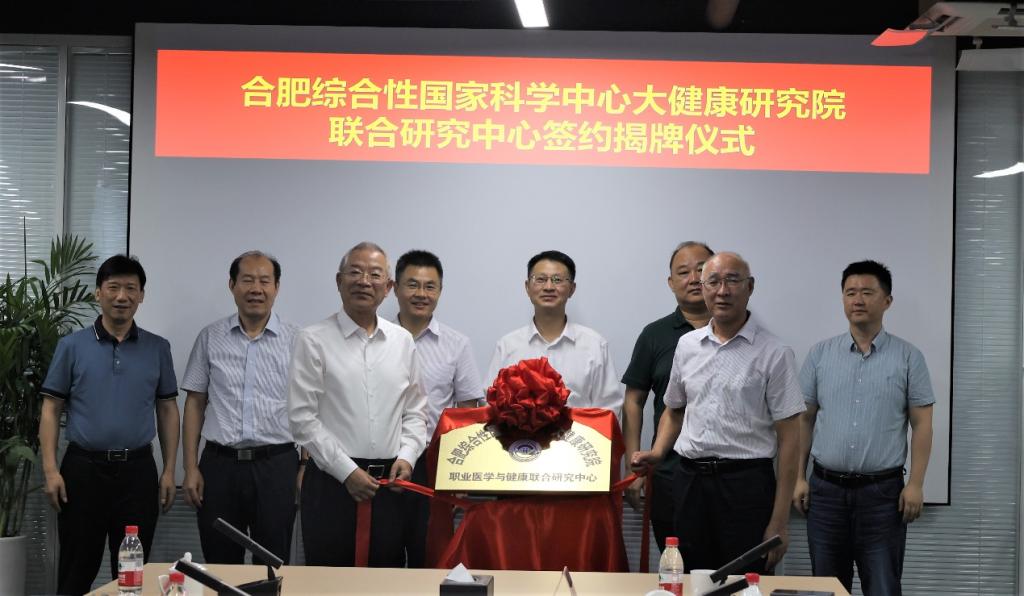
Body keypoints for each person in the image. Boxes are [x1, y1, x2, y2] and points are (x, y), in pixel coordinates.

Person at [631, 252, 804, 573]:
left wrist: (780, 520)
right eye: (713, 282)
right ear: (703, 288)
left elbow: (791, 437)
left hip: (747, 485)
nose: (722, 291)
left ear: (750, 287)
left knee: (744, 581)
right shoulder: (687, 345)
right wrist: (657, 452)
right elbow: (674, 410)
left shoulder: (775, 352)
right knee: (690, 577)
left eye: (732, 281)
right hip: (690, 481)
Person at [39, 255, 179, 595]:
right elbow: (51, 408)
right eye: (113, 287)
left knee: (132, 575)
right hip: (82, 471)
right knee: (76, 569)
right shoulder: (71, 346)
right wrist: (51, 470)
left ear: (141, 295)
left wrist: (169, 470)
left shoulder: (158, 348)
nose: (122, 296)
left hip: (137, 473)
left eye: (131, 288)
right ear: (98, 292)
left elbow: (167, 410)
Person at [793, 260, 934, 595]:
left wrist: (915, 484)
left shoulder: (909, 357)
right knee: (827, 588)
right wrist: (798, 476)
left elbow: (922, 424)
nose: (857, 300)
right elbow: (803, 419)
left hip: (882, 496)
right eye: (850, 292)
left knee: (883, 586)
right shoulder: (820, 355)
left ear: (887, 301)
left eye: (867, 292)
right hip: (826, 493)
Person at [288, 241, 428, 567]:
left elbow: (415, 410)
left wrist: (408, 457)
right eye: (355, 272)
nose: (364, 281)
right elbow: (302, 418)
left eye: (374, 274)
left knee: (386, 577)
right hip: (332, 483)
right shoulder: (313, 339)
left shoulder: (402, 341)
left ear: (388, 288)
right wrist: (346, 471)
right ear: (339, 281)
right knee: (329, 580)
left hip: (390, 485)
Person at [181, 251, 300, 563]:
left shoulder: (297, 340)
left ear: (277, 287)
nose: (256, 289)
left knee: (272, 563)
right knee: (220, 562)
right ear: (232, 285)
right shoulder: (210, 337)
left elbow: (310, 407)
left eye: (264, 281)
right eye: (247, 280)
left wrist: (304, 467)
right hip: (220, 467)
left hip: (277, 465)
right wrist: (190, 468)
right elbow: (194, 403)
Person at [391, 249, 484, 567]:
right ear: (395, 288)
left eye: (430, 286)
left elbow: (468, 414)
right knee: (382, 556)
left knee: (430, 558)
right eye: (412, 285)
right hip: (382, 461)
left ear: (440, 291)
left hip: (434, 465)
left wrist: (461, 475)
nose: (421, 294)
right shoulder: (375, 339)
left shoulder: (457, 344)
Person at [621, 241, 713, 551]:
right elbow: (633, 401)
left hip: (730, 475)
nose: (694, 279)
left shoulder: (739, 332)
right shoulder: (654, 335)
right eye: (684, 272)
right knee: (677, 566)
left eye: (702, 269)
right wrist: (634, 468)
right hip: (670, 473)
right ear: (671, 282)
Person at [487, 250, 621, 416]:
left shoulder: (595, 345)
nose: (549, 287)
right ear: (527, 287)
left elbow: (609, 410)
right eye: (540, 279)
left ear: (572, 289)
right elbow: (491, 404)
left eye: (557, 280)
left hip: (579, 433)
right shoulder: (507, 345)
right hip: (517, 434)